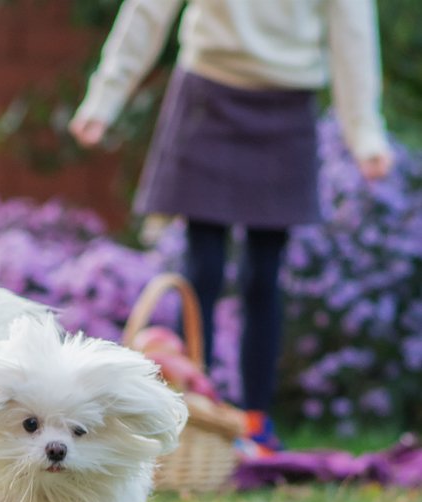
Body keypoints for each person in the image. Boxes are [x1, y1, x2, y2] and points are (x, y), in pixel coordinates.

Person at [69, 0, 393, 454]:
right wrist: (105, 98)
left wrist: (365, 131)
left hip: (287, 98)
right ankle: (184, 416)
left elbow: (353, 27)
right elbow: (148, 9)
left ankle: (256, 423)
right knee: (202, 268)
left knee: (264, 273)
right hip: (209, 90)